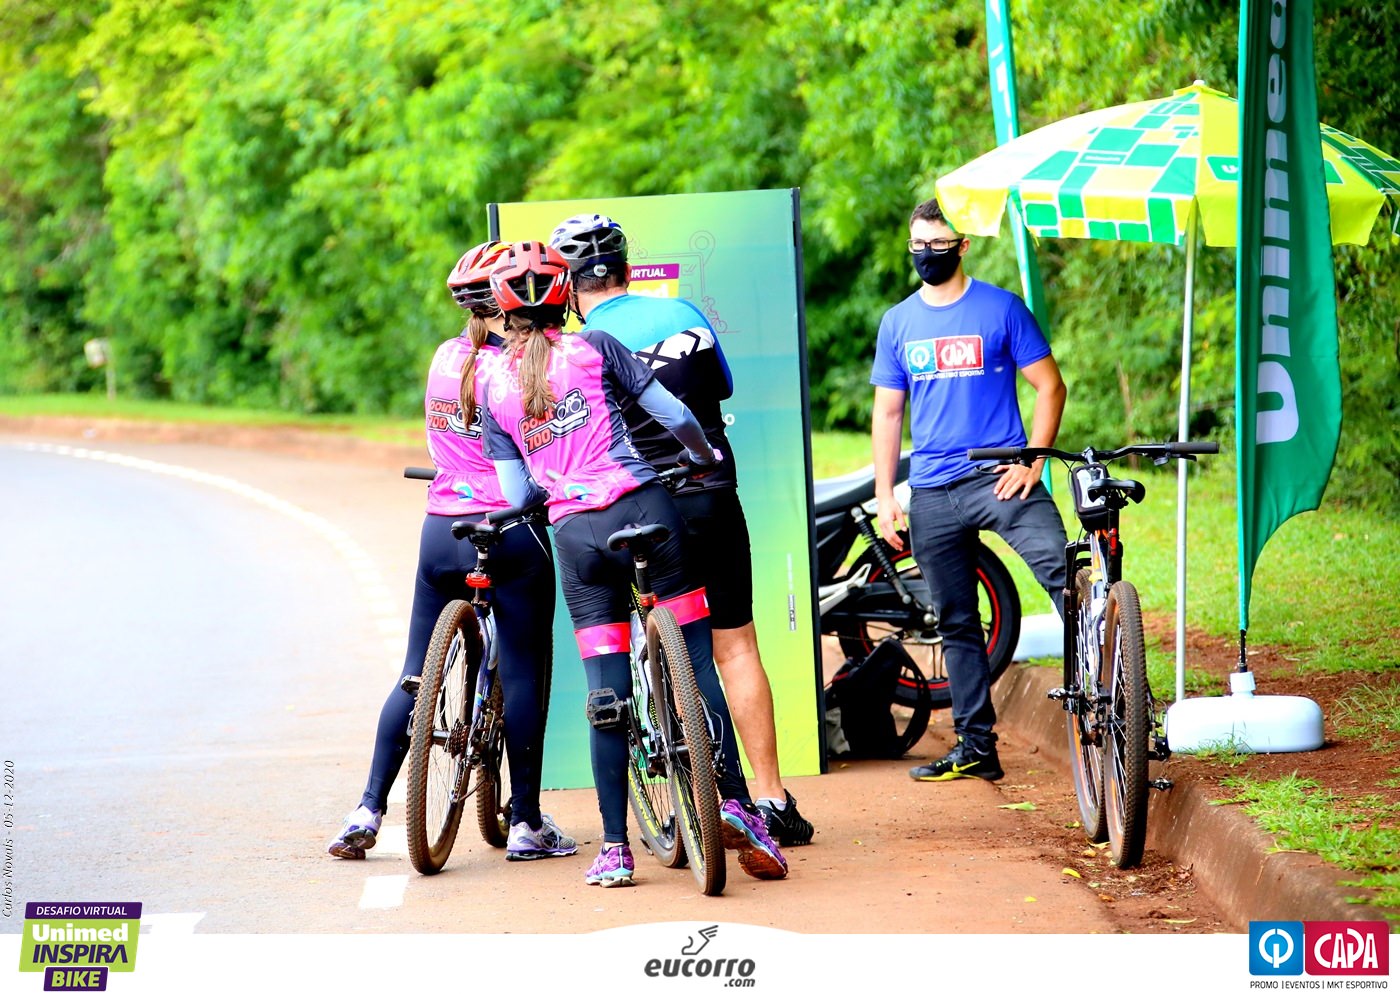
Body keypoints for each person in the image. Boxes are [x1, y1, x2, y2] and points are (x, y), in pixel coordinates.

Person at [475, 240, 787, 887]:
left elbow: (515, 493)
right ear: (565, 296)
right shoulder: (595, 346)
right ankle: (734, 804)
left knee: (606, 692)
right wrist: (700, 456)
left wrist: (553, 489)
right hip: (646, 509)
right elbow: (675, 416)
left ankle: (615, 848)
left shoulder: (490, 382)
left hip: (578, 536)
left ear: (503, 312)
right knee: (696, 658)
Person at [546, 213, 814, 848]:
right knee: (735, 646)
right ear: (625, 267)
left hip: (632, 507)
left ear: (568, 285)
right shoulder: (683, 312)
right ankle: (770, 798)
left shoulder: (574, 351)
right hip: (709, 493)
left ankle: (671, 799)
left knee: (642, 644)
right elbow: (720, 388)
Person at [328, 241, 577, 862]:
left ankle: (367, 808)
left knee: (415, 673)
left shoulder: (445, 357)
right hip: (508, 529)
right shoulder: (518, 371)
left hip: (441, 528)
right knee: (524, 673)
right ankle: (526, 823)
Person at [870, 197, 1068, 783]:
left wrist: (1033, 460)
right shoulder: (898, 322)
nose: (925, 254)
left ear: (963, 245)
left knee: (1063, 573)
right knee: (956, 620)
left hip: (1000, 476)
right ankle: (976, 745)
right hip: (932, 490)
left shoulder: (1001, 309)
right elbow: (888, 413)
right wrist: (886, 494)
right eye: (917, 245)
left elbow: (1050, 387)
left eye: (937, 244)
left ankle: (1114, 692)